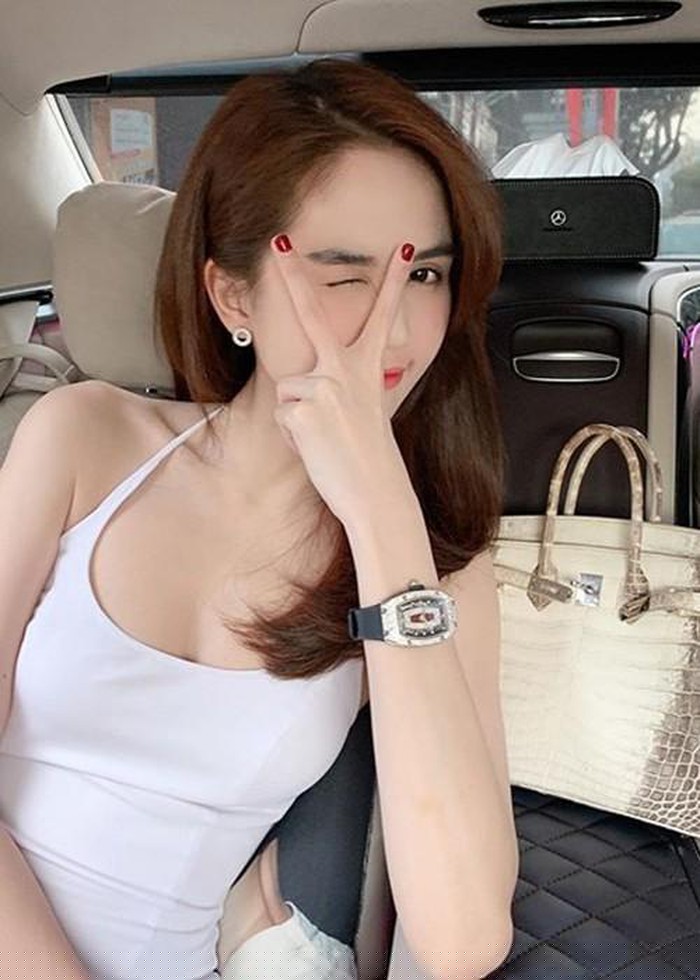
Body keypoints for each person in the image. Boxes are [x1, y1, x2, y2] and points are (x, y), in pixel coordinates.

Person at [0, 58, 518, 980]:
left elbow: (463, 938)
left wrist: (382, 513)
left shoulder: (431, 566)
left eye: (427, 273)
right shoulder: (81, 438)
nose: (398, 329)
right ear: (234, 294)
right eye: (344, 275)